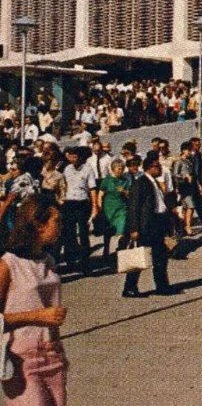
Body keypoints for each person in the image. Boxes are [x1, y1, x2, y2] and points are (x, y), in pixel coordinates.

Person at [0, 195, 68, 406]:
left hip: (53, 353)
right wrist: (37, 316)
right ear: (38, 224)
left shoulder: (48, 261)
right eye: (56, 221)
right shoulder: (8, 264)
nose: (60, 226)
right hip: (22, 359)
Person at [123, 154, 173, 297]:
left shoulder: (154, 182)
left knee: (160, 256)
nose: (160, 169)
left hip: (157, 222)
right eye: (157, 166)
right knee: (138, 256)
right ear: (149, 167)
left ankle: (162, 286)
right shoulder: (140, 183)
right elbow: (133, 207)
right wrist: (133, 228)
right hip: (146, 225)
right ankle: (130, 287)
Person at [61, 146, 98, 275]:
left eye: (75, 156)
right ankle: (71, 262)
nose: (73, 159)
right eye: (70, 156)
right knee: (69, 234)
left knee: (83, 233)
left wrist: (95, 206)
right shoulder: (67, 169)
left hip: (82, 203)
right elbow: (64, 185)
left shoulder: (87, 169)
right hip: (69, 202)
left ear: (80, 157)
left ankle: (85, 264)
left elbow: (92, 188)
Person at [98, 158, 132, 259]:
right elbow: (101, 194)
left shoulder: (125, 180)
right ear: (113, 169)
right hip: (109, 208)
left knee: (122, 225)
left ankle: (121, 250)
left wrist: (124, 192)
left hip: (121, 207)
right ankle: (106, 250)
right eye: (118, 169)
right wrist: (99, 207)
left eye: (122, 169)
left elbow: (130, 194)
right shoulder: (107, 180)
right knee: (108, 231)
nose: (120, 171)